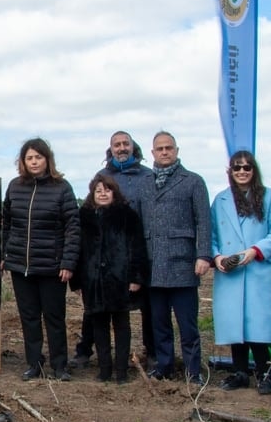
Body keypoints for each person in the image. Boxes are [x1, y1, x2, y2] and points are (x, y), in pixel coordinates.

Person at [71, 130, 155, 370]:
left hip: (132, 251)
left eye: (125, 144)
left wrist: (136, 272)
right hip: (98, 266)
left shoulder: (146, 176)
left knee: (138, 311)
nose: (121, 148)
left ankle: (150, 353)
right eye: (116, 145)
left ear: (133, 147)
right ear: (111, 149)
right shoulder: (103, 175)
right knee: (95, 313)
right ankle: (86, 351)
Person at [2, 137, 80, 381]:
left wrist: (68, 262)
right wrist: (4, 253)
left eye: (38, 157)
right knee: (29, 317)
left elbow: (73, 227)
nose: (34, 162)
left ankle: (60, 365)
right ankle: (34, 363)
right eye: (29, 158)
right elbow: (7, 223)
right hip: (20, 266)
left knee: (54, 317)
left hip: (52, 267)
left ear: (47, 159)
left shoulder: (62, 187)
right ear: (23, 162)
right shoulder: (15, 186)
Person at [211, 151, 271, 395]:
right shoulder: (221, 200)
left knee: (257, 323)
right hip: (230, 271)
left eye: (246, 167)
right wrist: (217, 257)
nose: (242, 172)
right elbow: (211, 235)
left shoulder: (268, 197)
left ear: (254, 170)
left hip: (257, 269)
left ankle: (265, 371)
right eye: (236, 168)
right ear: (230, 172)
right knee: (234, 322)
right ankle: (240, 371)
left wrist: (256, 251)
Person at [142, 131, 211, 384]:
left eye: (168, 148)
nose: (164, 152)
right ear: (152, 153)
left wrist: (203, 254)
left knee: (187, 325)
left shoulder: (193, 181)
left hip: (183, 264)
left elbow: (203, 221)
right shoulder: (145, 184)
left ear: (177, 150)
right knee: (159, 324)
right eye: (159, 149)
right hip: (153, 265)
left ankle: (193, 371)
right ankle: (165, 366)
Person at [70, 173, 146, 383]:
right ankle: (104, 370)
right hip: (92, 282)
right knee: (99, 326)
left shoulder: (127, 215)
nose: (103, 194)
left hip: (120, 281)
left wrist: (136, 277)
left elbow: (138, 247)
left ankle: (121, 371)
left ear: (115, 192)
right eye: (98, 190)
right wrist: (76, 281)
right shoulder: (83, 216)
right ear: (92, 193)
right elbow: (77, 250)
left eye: (107, 189)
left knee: (122, 326)